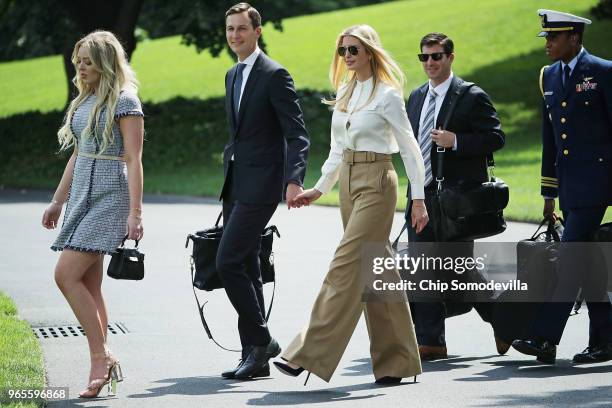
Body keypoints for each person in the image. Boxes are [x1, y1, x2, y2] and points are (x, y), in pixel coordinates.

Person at [274, 24, 428, 385]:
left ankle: (306, 352)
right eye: (343, 50)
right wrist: (319, 188)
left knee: (345, 265)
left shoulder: (387, 96)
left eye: (354, 50)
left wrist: (418, 199)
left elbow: (410, 148)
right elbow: (336, 150)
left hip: (377, 181)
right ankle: (397, 361)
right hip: (347, 181)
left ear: (370, 53)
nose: (347, 56)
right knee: (377, 271)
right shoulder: (345, 91)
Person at [42, 30, 144, 398]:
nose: (81, 68)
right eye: (78, 61)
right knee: (88, 284)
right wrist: (57, 201)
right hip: (82, 191)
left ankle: (100, 357)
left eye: (87, 62)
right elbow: (77, 154)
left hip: (110, 194)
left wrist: (136, 213)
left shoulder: (125, 101)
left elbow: (134, 159)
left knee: (65, 275)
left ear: (104, 63)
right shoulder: (83, 101)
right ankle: (106, 358)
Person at [512, 9, 612, 364]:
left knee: (570, 261)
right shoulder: (548, 76)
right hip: (569, 187)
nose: (548, 44)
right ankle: (605, 339)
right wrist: (548, 193)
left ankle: (543, 337)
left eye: (554, 37)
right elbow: (550, 139)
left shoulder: (603, 72)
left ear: (574, 37)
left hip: (598, 184)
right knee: (587, 265)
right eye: (546, 38)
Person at [217, 2, 310, 380]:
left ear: (257, 31)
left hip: (263, 184)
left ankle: (261, 342)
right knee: (248, 263)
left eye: (241, 28)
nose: (235, 35)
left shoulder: (274, 74)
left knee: (227, 261)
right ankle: (254, 355)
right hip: (236, 181)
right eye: (229, 29)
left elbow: (297, 132)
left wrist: (294, 179)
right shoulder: (231, 74)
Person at [404, 33, 506, 360]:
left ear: (450, 57)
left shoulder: (471, 96)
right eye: (425, 57)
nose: (430, 63)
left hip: (457, 200)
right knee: (421, 265)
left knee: (458, 267)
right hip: (420, 195)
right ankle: (431, 340)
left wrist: (456, 141)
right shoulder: (416, 97)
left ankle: (504, 322)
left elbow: (496, 138)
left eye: (436, 56)